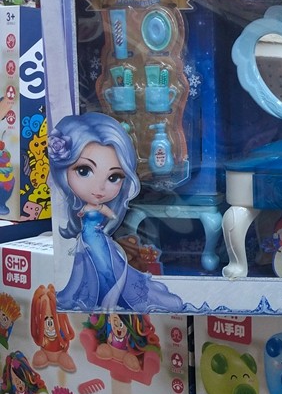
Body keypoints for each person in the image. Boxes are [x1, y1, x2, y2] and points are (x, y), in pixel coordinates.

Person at [48, 112, 183, 312]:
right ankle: (97, 295)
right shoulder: (84, 206)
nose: (100, 187)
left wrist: (111, 218)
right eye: (84, 171)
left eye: (114, 177)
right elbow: (82, 214)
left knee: (106, 265)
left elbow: (110, 214)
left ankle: (110, 293)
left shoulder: (100, 207)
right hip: (86, 239)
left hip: (97, 238)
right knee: (88, 268)